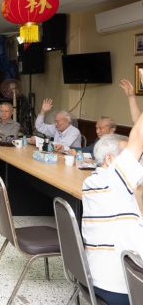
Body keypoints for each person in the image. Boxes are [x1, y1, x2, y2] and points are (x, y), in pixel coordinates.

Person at [81, 117, 143, 304]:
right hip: (124, 289)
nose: (138, 160)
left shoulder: (92, 181)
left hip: (93, 279)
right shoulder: (115, 178)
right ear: (109, 159)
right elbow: (139, 135)